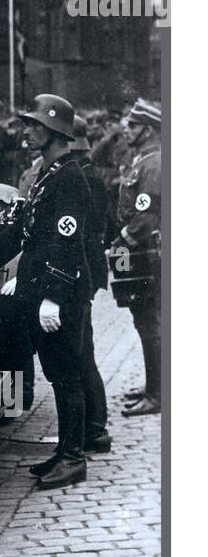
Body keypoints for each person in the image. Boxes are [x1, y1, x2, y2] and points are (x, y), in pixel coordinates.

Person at [0, 94, 94, 490]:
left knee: (65, 375)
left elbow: (66, 242)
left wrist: (53, 298)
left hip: (59, 291)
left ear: (55, 131)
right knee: (56, 371)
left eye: (34, 125)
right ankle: (62, 452)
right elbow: (22, 231)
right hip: (36, 288)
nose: (26, 131)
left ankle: (73, 458)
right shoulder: (49, 174)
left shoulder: (69, 177)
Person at [116, 98, 162, 418]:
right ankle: (153, 386)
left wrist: (120, 243)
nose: (126, 129)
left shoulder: (155, 162)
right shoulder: (144, 159)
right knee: (143, 320)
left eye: (132, 125)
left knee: (151, 323)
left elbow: (146, 219)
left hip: (148, 253)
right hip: (141, 252)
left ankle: (158, 394)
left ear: (147, 130)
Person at [71, 115, 111, 451]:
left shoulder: (84, 176)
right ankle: (93, 427)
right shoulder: (86, 172)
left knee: (83, 353)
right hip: (87, 267)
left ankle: (96, 429)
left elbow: (94, 229)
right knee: (83, 350)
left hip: (83, 268)